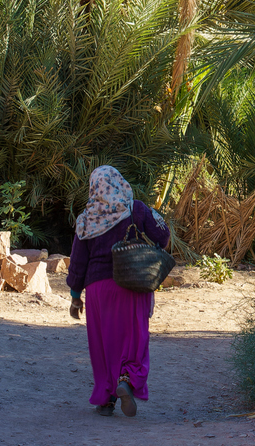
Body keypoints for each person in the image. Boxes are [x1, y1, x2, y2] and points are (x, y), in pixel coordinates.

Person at [66, 165, 170, 418]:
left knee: (103, 343)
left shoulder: (87, 218)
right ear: (119, 182)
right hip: (132, 282)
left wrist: (75, 297)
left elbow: (78, 261)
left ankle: (106, 399)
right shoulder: (135, 208)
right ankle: (126, 380)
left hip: (98, 289)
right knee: (134, 338)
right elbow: (163, 235)